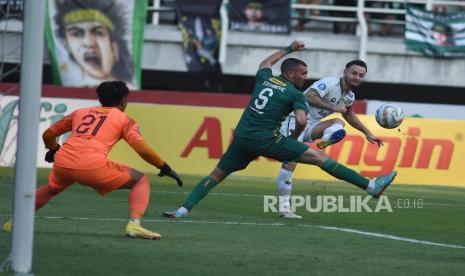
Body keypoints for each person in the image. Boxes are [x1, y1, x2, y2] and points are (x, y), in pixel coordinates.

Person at [163, 41, 397, 219]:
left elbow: (265, 64)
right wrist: (294, 143)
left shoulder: (265, 79)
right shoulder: (295, 94)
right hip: (269, 139)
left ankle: (183, 210)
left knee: (214, 176)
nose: (306, 78)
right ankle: (370, 186)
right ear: (290, 74)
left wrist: (289, 48)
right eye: (303, 74)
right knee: (320, 157)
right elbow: (302, 121)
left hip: (241, 139)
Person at [3, 81, 183, 240]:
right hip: (91, 165)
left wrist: (54, 149)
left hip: (64, 161)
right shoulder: (125, 120)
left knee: (51, 189)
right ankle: (134, 224)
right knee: (140, 180)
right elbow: (141, 149)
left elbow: (48, 134)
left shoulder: (80, 112)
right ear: (123, 101)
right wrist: (163, 166)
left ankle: (15, 221)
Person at [277, 60, 383, 218]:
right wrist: (333, 108)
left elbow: (348, 115)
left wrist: (367, 132)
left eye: (361, 75)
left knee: (339, 122)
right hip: (295, 121)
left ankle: (326, 139)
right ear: (345, 72)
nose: (357, 77)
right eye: (354, 73)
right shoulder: (330, 83)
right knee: (291, 161)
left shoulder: (349, 96)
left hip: (312, 126)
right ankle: (285, 209)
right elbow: (309, 96)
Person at [54, 0, 134, 88]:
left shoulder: (129, 93)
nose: (88, 43)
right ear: (66, 45)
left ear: (115, 47)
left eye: (99, 33)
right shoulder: (70, 95)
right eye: (76, 34)